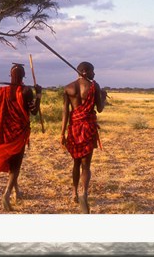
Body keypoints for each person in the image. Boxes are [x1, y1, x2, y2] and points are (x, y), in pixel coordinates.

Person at [0, 63, 42, 211]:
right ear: (23, 76)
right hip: (19, 133)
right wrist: (39, 95)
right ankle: (7, 193)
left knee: (12, 163)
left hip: (5, 132)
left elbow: (0, 112)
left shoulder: (3, 91)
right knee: (16, 165)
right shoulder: (26, 91)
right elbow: (34, 111)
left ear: (11, 76)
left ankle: (17, 192)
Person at [60, 61, 107, 214]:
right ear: (85, 71)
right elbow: (99, 109)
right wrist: (103, 97)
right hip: (88, 128)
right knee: (86, 166)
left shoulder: (68, 87)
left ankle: (74, 193)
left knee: (76, 163)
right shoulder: (94, 87)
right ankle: (83, 194)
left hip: (73, 129)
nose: (95, 74)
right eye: (93, 71)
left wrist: (62, 133)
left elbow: (65, 113)